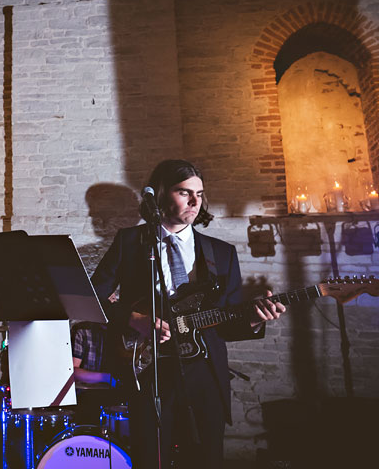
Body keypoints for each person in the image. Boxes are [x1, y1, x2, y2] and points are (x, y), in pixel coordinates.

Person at [90, 160, 285, 468]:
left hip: (205, 374)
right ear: (161, 194)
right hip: (149, 370)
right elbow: (92, 298)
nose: (195, 202)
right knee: (151, 460)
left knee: (206, 460)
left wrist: (255, 317)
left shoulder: (221, 253)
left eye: (200, 193)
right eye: (185, 192)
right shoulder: (130, 242)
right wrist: (133, 319)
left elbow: (228, 325)